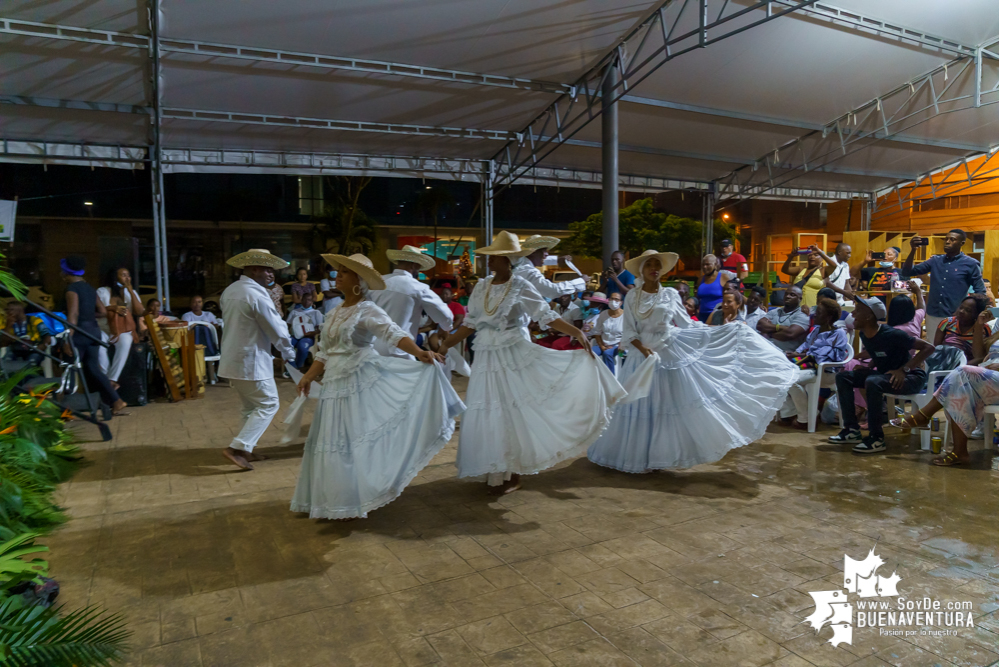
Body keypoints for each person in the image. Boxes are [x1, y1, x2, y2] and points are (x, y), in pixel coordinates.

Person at [437, 231, 625, 495]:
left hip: (513, 352)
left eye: (495, 258)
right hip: (487, 355)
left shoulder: (521, 286)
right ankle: (496, 467)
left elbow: (545, 314)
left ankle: (512, 472)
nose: (489, 263)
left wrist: (576, 332)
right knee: (489, 409)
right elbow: (470, 323)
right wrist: (445, 345)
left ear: (508, 260)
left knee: (512, 409)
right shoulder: (481, 286)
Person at [587, 249, 797, 472]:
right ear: (641, 269)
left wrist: (721, 330)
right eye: (649, 265)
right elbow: (629, 332)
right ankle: (638, 456)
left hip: (669, 352)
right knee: (641, 406)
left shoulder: (669, 295)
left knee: (668, 407)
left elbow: (686, 323)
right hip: (642, 358)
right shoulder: (631, 297)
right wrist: (644, 349)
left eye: (657, 264)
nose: (653, 269)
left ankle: (662, 456)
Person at [290, 253, 464, 519]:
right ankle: (331, 498)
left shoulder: (368, 309)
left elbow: (393, 333)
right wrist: (308, 376)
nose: (338, 275)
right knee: (332, 439)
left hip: (359, 378)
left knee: (352, 439)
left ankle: (354, 495)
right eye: (338, 270)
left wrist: (419, 353)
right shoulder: (334, 311)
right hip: (335, 383)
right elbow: (325, 351)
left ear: (359, 280)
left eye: (345, 272)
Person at [218, 249, 297, 470]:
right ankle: (237, 448)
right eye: (268, 269)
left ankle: (245, 450)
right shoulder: (256, 294)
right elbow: (276, 328)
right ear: (254, 269)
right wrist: (288, 352)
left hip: (233, 359)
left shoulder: (230, 291)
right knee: (268, 403)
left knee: (250, 407)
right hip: (251, 361)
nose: (272, 274)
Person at [830, 296, 935, 454]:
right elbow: (881, 353)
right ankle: (852, 430)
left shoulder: (893, 334)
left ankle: (876, 438)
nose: (853, 314)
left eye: (858, 311)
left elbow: (928, 348)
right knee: (844, 377)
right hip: (885, 376)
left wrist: (904, 370)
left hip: (912, 377)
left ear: (869, 316)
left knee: (873, 381)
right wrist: (869, 365)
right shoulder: (865, 335)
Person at [61, 256, 128, 416]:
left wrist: (68, 339)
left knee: (69, 367)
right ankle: (116, 401)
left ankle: (65, 410)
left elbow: (73, 314)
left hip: (80, 333)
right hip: (94, 332)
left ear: (66, 272)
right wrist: (89, 315)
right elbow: (103, 311)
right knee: (93, 369)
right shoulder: (90, 288)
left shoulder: (72, 289)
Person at [778, 299, 851, 429]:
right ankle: (794, 413)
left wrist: (800, 356)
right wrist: (795, 353)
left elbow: (822, 355)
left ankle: (804, 417)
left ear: (828, 317)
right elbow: (805, 346)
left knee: (791, 380)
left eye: (819, 313)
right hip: (810, 367)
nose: (814, 315)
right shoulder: (816, 330)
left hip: (826, 371)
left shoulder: (838, 334)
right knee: (779, 374)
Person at [369, 246, 452, 358]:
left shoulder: (377, 283)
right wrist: (445, 327)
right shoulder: (418, 288)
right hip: (401, 351)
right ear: (414, 265)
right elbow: (445, 315)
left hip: (372, 348)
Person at [901, 230, 986, 337]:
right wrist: (913, 250)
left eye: (952, 239)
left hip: (956, 315)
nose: (947, 241)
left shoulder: (971, 264)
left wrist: (972, 313)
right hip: (933, 314)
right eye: (946, 239)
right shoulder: (935, 260)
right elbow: (907, 272)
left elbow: (980, 291)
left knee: (953, 347)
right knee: (934, 348)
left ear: (962, 243)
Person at [97, 267, 144, 388]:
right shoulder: (103, 291)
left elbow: (139, 311)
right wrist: (113, 308)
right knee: (99, 343)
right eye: (123, 275)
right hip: (104, 328)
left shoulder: (129, 293)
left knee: (126, 340)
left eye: (128, 275)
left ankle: (112, 379)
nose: (127, 278)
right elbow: (99, 310)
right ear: (115, 278)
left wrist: (131, 291)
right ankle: (105, 377)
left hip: (121, 329)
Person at [512, 235, 587, 299]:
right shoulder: (529, 271)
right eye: (544, 251)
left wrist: (557, 259)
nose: (547, 254)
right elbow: (553, 290)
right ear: (533, 252)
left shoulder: (520, 264)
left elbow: (537, 259)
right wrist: (580, 281)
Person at [756, 286, 809, 352]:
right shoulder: (775, 311)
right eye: (786, 294)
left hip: (783, 353)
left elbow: (790, 334)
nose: (787, 296)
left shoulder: (802, 315)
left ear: (800, 299)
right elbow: (759, 325)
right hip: (764, 348)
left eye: (792, 295)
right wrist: (782, 328)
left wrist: (769, 333)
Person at [1, 301, 51, 367]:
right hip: (16, 349)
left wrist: (43, 346)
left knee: (31, 362)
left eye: (11, 310)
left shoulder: (34, 320)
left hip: (33, 349)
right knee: (6, 362)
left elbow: (47, 336)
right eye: (7, 310)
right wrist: (8, 326)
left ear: (20, 310)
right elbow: (3, 343)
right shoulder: (7, 323)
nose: (8, 312)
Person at [286, 291, 324, 369]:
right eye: (305, 300)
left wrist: (312, 333)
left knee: (302, 347)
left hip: (308, 337)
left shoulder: (316, 313)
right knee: (286, 346)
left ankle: (298, 367)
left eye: (309, 300)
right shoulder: (294, 312)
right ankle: (292, 367)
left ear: (312, 301)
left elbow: (320, 329)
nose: (307, 302)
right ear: (301, 300)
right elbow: (287, 325)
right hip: (295, 336)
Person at [592, 292, 623, 372]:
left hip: (618, 345)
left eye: (616, 299)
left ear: (621, 302)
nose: (613, 301)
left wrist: (619, 345)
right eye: (612, 299)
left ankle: (610, 379)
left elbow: (628, 334)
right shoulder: (603, 314)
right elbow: (597, 332)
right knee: (590, 352)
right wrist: (602, 346)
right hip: (603, 344)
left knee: (607, 353)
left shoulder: (625, 316)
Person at [696, 255, 733, 321]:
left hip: (717, 315)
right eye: (703, 264)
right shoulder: (700, 279)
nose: (705, 267)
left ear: (715, 265)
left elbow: (732, 295)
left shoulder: (723, 277)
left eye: (707, 264)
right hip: (702, 315)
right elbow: (697, 298)